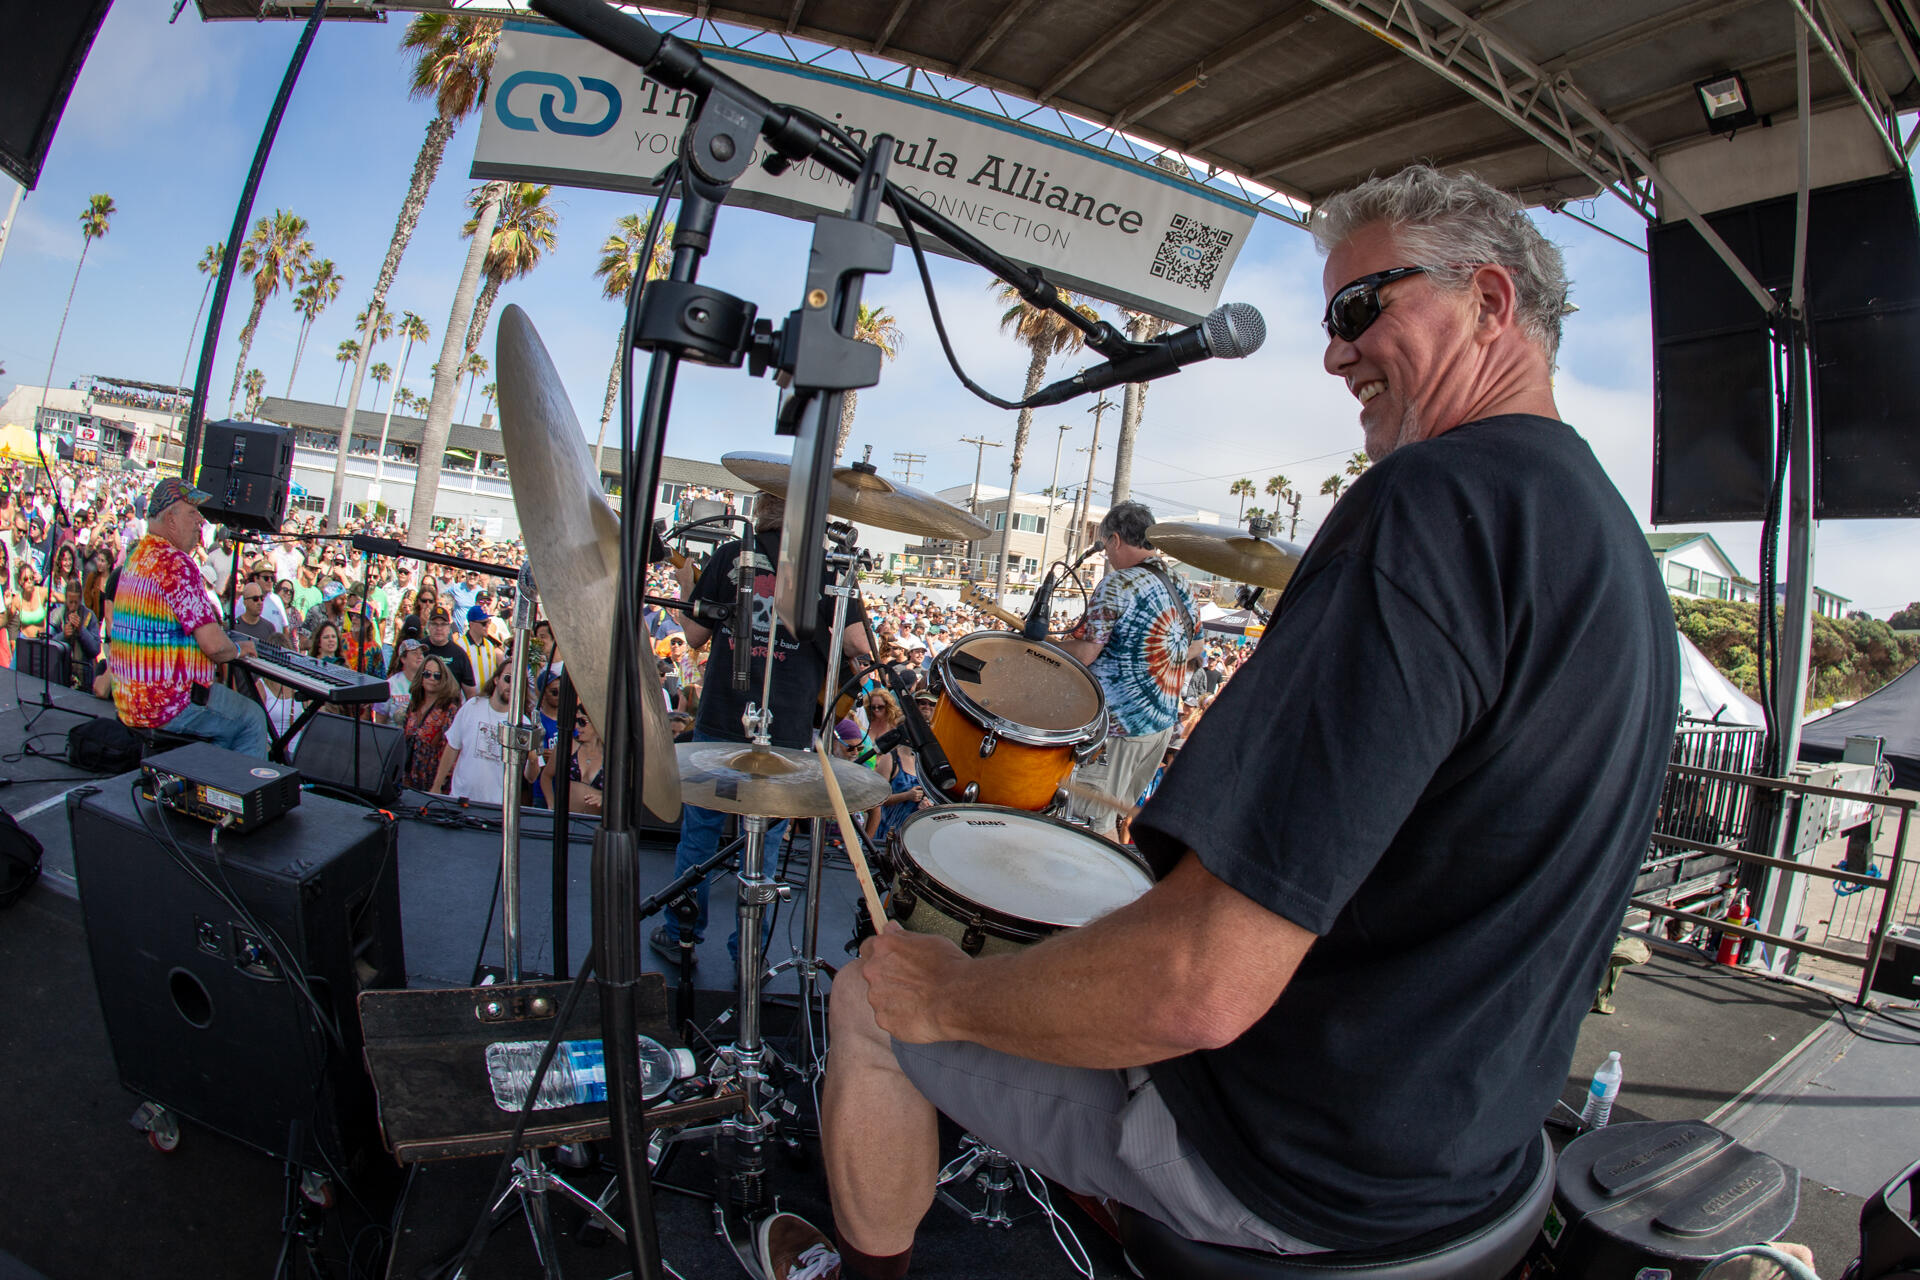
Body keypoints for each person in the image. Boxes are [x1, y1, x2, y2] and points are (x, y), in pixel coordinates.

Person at [769, 165, 1682, 1280]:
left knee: (877, 991)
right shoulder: (1612, 545)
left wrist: (948, 992)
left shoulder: (1434, 507)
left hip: (1292, 1164)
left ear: (1490, 301)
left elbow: (1196, 986)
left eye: (1360, 309)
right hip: (1469, 1158)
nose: (1336, 353)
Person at [651, 494, 872, 967]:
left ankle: (681, 937)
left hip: (724, 715)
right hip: (788, 722)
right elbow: (859, 647)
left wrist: (688, 581)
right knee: (766, 843)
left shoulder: (733, 554)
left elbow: (692, 636)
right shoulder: (830, 567)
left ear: (761, 513)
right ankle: (750, 954)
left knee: (701, 832)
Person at [1055, 501, 1199, 840]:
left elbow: (1087, 653)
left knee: (1090, 827)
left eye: (1105, 545)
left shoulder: (1117, 585)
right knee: (1114, 816)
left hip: (1117, 732)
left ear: (1116, 539)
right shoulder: (1182, 585)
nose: (1105, 554)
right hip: (1159, 729)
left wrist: (1043, 646)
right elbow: (1196, 647)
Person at [108, 478, 270, 757]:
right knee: (252, 719)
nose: (201, 521)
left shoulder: (137, 555)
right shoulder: (174, 563)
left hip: (129, 700)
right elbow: (214, 646)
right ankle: (235, 795)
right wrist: (239, 649)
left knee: (224, 727)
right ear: (171, 518)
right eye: (193, 512)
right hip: (167, 704)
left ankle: (203, 787)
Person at [432, 661, 517, 802]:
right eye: (508, 678)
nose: (512, 686)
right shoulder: (472, 706)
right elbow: (452, 746)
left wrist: (532, 759)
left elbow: (531, 776)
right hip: (461, 799)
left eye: (518, 682)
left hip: (497, 806)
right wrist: (437, 785)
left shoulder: (523, 722)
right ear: (496, 679)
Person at [401, 654, 463, 792]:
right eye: (427, 674)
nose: (431, 679)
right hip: (408, 776)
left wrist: (439, 784)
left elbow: (451, 746)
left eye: (437, 675)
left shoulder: (449, 708)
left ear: (444, 679)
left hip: (434, 779)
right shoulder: (414, 703)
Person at [422, 604, 477, 694]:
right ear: (428, 626)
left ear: (449, 628)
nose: (439, 628)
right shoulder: (420, 648)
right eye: (435, 624)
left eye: (443, 624)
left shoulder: (459, 654)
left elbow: (470, 693)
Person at [456, 603, 502, 693]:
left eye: (488, 622)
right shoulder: (460, 646)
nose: (487, 626)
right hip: (467, 702)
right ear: (472, 624)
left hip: (486, 700)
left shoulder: (489, 645)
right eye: (483, 623)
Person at [379, 637, 424, 725]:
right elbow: (380, 721)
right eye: (414, 653)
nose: (420, 656)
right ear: (403, 659)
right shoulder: (390, 685)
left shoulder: (429, 682)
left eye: (421, 653)